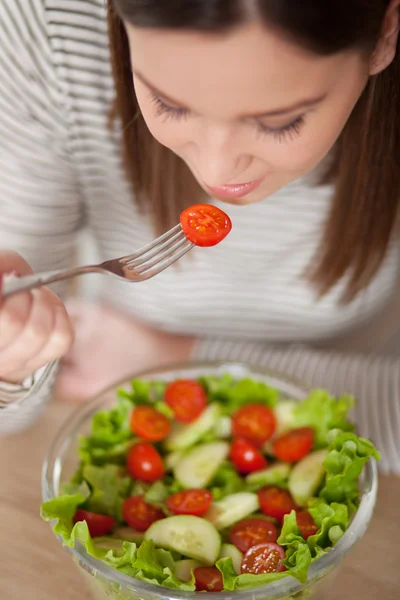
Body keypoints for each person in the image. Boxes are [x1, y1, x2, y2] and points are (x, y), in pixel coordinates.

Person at [0, 0, 399, 474]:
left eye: (279, 122)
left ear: (384, 35)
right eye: (168, 103)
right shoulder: (47, 28)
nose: (217, 170)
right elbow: (15, 414)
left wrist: (173, 361)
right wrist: (13, 357)